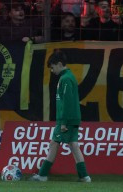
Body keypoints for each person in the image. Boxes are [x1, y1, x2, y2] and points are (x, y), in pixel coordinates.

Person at [32, 50, 91, 182]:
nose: (52, 70)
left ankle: (42, 175)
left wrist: (63, 122)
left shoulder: (65, 79)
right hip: (72, 118)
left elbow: (67, 102)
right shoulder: (68, 77)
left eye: (52, 67)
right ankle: (84, 176)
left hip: (66, 119)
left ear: (59, 64)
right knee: (73, 145)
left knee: (54, 143)